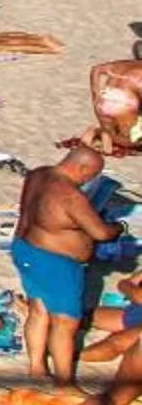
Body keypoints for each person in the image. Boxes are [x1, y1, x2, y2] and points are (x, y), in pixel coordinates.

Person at [15, 139, 122, 386]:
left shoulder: (38, 174)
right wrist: (117, 227)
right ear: (82, 169)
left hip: (25, 249)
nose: (88, 181)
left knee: (38, 309)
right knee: (65, 322)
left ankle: (37, 368)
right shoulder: (71, 195)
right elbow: (100, 233)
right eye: (91, 175)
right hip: (55, 262)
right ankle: (64, 383)